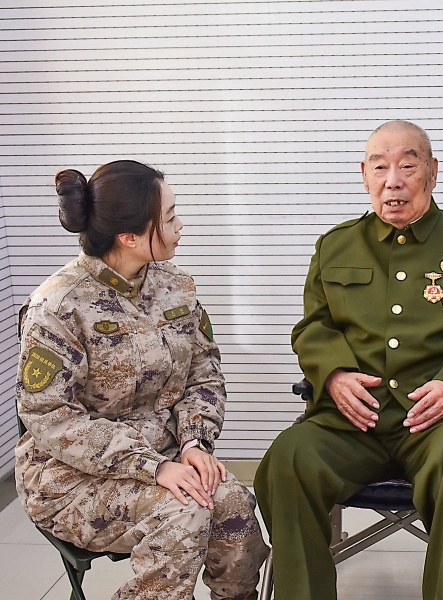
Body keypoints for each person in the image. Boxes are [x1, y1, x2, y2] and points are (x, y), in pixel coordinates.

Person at [253, 120, 443, 600]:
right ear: (364, 174)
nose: (393, 181)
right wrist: (334, 374)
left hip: (440, 422)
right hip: (353, 423)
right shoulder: (336, 245)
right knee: (286, 461)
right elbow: (314, 327)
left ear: (432, 171)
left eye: (407, 166)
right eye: (379, 167)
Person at [15, 160, 270, 600]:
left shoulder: (175, 288)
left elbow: (204, 373)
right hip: (71, 476)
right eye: (169, 218)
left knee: (234, 507)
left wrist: (194, 443)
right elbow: (50, 417)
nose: (180, 225)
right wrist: (153, 467)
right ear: (129, 237)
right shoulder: (58, 306)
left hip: (166, 454)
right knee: (185, 514)